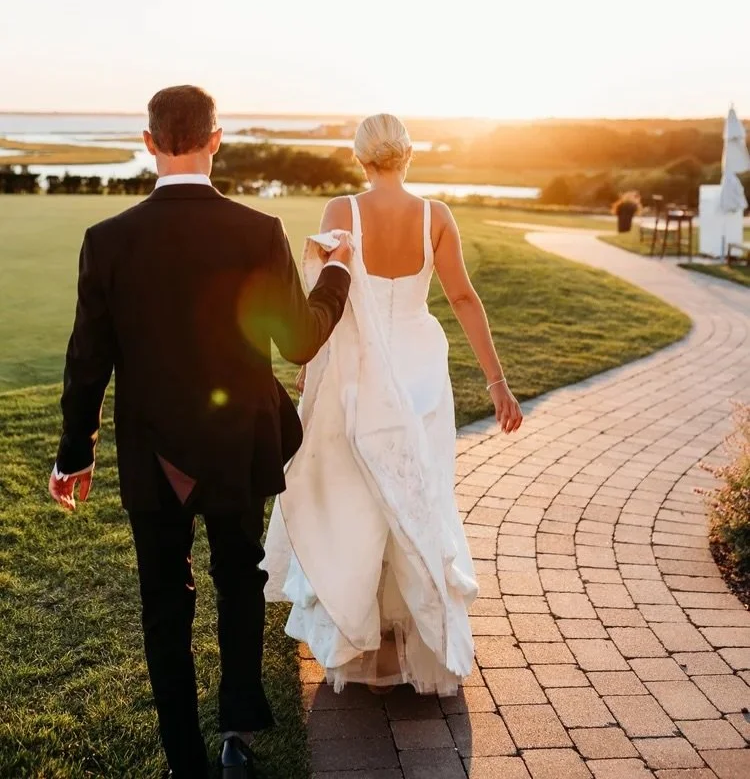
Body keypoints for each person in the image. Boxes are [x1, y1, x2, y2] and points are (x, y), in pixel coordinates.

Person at [48, 85, 353, 779]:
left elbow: (85, 364)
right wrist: (334, 273)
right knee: (238, 579)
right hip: (237, 445)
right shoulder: (258, 231)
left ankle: (185, 759)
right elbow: (300, 342)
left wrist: (74, 457)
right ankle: (237, 737)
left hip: (153, 455)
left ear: (149, 143)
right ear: (218, 140)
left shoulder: (108, 241)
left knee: (163, 599)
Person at [263, 112, 523, 696]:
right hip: (420, 367)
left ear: (360, 159)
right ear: (408, 156)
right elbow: (461, 295)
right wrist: (497, 382)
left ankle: (357, 631)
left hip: (358, 365)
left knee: (357, 494)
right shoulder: (437, 216)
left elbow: (323, 296)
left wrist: (311, 368)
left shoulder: (340, 212)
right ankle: (419, 626)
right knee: (419, 492)